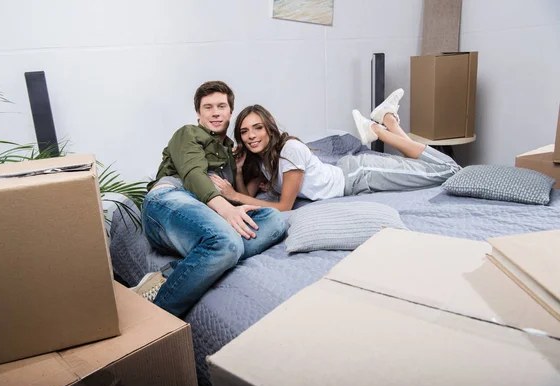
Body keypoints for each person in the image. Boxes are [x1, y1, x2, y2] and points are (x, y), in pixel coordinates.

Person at [133, 81, 287, 317]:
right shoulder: (188, 133)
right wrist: (226, 211)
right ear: (198, 113)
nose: (215, 112)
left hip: (204, 214)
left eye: (221, 106)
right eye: (208, 107)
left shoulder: (230, 151)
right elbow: (193, 174)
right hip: (169, 200)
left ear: (230, 112)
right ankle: (156, 320)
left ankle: (169, 275)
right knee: (227, 243)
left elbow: (236, 197)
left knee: (275, 220)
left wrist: (236, 170)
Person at [210, 89, 461, 212]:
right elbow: (246, 195)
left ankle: (378, 129)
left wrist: (237, 196)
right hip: (351, 175)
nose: (251, 136)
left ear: (269, 128)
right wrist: (240, 173)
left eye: (257, 128)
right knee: (422, 169)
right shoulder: (262, 160)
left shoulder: (290, 151)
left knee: (448, 169)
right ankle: (389, 119)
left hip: (359, 174)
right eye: (244, 132)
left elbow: (284, 206)